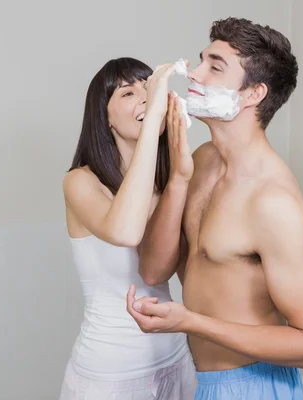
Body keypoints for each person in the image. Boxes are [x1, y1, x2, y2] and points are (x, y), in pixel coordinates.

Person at [127, 18, 303, 400]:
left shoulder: (274, 203)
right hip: (198, 379)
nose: (194, 72)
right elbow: (153, 269)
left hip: (252, 386)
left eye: (215, 66)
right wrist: (177, 179)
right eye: (201, 59)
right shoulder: (201, 160)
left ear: (253, 94)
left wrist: (190, 322)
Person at [60, 57, 197, 399]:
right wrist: (152, 120)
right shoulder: (80, 182)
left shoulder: (170, 183)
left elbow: (161, 273)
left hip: (177, 360)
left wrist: (179, 180)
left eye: (148, 87)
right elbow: (126, 232)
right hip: (110, 374)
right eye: (128, 92)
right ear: (104, 118)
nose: (147, 96)